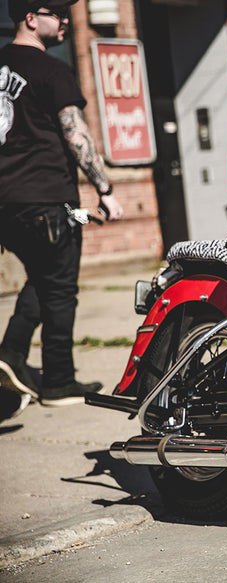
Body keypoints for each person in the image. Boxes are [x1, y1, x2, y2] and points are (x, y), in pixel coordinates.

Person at [0, 0, 123, 419]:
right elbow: (76, 133)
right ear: (32, 19)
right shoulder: (51, 69)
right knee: (60, 288)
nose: (67, 20)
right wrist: (104, 188)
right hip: (48, 199)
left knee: (42, 278)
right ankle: (57, 380)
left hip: (6, 204)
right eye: (57, 12)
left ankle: (12, 355)